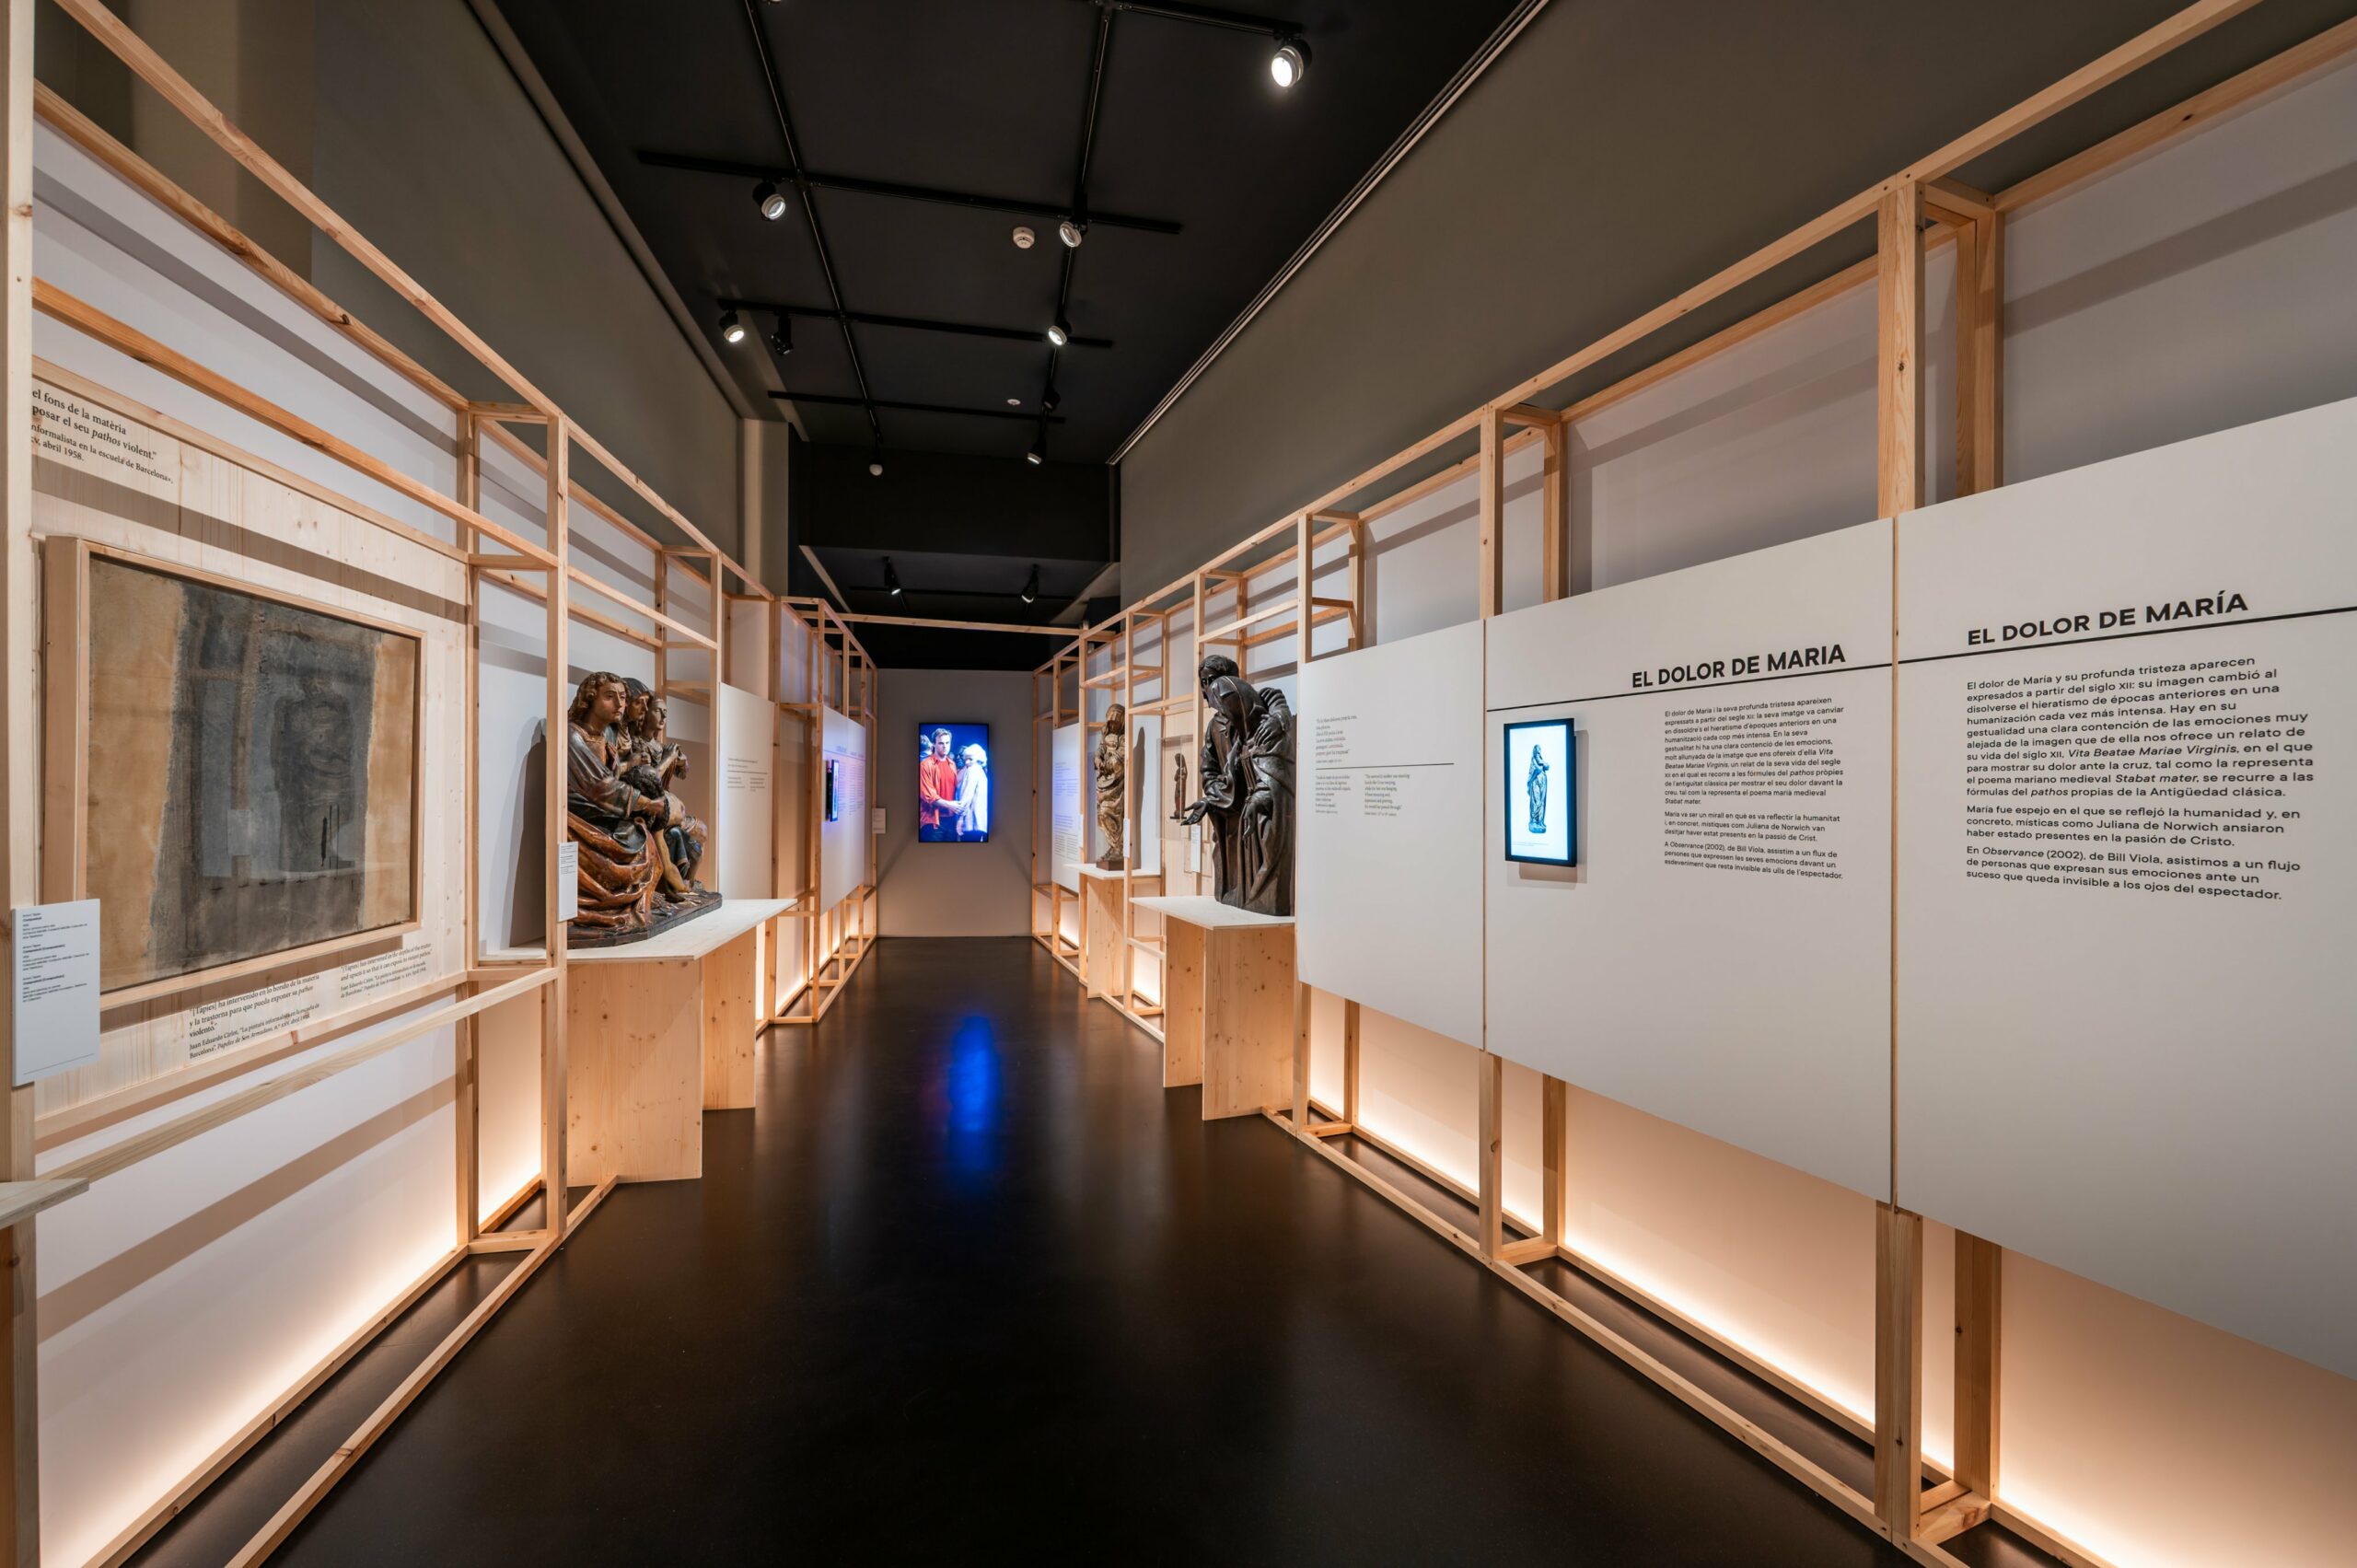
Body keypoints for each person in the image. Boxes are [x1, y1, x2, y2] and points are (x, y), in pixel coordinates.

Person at [919, 727, 958, 838]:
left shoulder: (952, 764)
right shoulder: (925, 765)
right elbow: (928, 795)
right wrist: (950, 805)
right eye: (941, 743)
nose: (945, 746)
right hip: (932, 821)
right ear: (933, 744)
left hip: (951, 820)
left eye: (947, 743)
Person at [953, 743, 990, 841]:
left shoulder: (972, 770)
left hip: (970, 823)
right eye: (966, 759)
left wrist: (960, 818)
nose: (967, 762)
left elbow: (967, 796)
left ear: (978, 759)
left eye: (970, 759)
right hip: (979, 824)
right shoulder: (982, 772)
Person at [1527, 741, 1550, 834]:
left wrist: (1543, 763)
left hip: (1543, 782)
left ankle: (1540, 821)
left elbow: (1547, 766)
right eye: (1537, 752)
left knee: (1542, 801)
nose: (1538, 754)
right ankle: (1534, 821)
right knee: (1536, 802)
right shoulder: (1534, 760)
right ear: (1535, 752)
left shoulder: (1541, 760)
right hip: (1535, 782)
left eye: (1539, 752)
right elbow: (1536, 770)